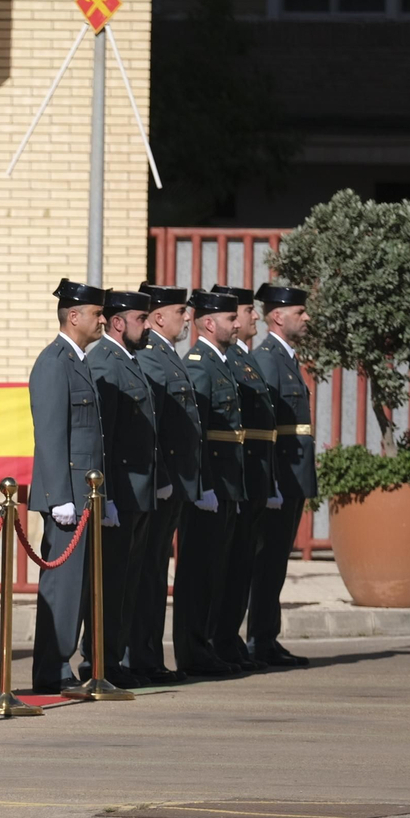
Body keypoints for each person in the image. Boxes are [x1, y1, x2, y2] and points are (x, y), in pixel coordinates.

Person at [28, 279, 107, 694]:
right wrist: (59, 496)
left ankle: (71, 664)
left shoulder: (79, 361)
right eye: (96, 314)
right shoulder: (54, 362)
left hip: (86, 496)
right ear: (73, 316)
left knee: (82, 586)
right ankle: (52, 668)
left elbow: (91, 436)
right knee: (63, 586)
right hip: (68, 498)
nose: (103, 320)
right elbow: (52, 435)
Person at [84, 290, 158, 689]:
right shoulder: (104, 363)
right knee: (111, 581)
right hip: (121, 490)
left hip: (139, 489)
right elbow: (104, 439)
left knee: (128, 579)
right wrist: (107, 496)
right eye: (141, 319)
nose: (147, 326)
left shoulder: (126, 360)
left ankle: (116, 655)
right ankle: (99, 659)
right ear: (118, 323)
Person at [174, 290, 245, 677]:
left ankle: (206, 646)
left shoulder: (222, 363)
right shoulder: (200, 364)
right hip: (211, 483)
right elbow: (196, 433)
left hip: (227, 480)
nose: (237, 325)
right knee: (199, 572)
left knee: (216, 569)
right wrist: (202, 484)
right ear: (209, 323)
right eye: (230, 319)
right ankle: (193, 650)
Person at [130, 283, 198, 685]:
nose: (186, 318)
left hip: (173, 484)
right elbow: (155, 431)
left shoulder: (169, 356)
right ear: (157, 318)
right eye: (179, 311)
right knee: (147, 576)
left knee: (156, 573)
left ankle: (149, 657)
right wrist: (165, 478)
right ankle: (142, 657)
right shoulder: (152, 358)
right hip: (160, 483)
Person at [247, 284, 315, 667]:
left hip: (293, 476)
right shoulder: (268, 359)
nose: (306, 318)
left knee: (277, 561)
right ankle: (258, 640)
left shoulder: (285, 358)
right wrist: (270, 479)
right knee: (268, 560)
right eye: (299, 312)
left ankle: (266, 637)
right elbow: (266, 428)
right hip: (280, 476)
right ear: (278, 316)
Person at [209, 284, 274, 673]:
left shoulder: (242, 359)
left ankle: (228, 641)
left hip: (245, 478)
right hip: (226, 478)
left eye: (243, 313)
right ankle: (219, 642)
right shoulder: (220, 360)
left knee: (238, 566)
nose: (247, 320)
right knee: (221, 568)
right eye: (239, 314)